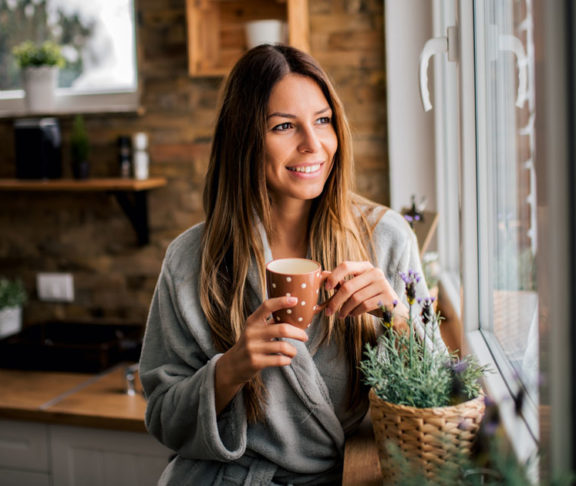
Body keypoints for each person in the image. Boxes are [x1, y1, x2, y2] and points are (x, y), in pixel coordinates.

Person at [139, 44, 438, 485]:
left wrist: (397, 319)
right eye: (284, 126)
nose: (314, 145)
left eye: (322, 121)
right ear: (244, 140)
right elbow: (163, 417)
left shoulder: (385, 239)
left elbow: (440, 398)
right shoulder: (191, 260)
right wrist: (231, 369)